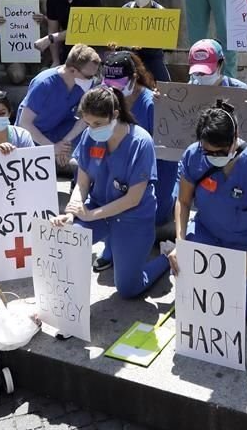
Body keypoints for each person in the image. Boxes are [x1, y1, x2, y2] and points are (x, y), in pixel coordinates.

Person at [49, 87, 170, 299]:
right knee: (66, 240)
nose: (92, 129)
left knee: (128, 289)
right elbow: (82, 183)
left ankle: (167, 257)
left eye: (97, 123)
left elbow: (133, 199)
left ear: (114, 114)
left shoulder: (141, 142)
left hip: (132, 217)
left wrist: (90, 215)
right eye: (87, 123)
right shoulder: (89, 137)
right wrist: (72, 213)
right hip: (99, 208)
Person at [169, 101, 247, 319]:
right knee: (196, 301)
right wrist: (180, 243)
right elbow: (183, 201)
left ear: (235, 138)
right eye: (208, 151)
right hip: (206, 234)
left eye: (220, 151)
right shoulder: (193, 156)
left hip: (246, 242)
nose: (214, 156)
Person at [92, 50, 177, 273]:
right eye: (109, 85)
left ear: (133, 78)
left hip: (153, 171)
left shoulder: (151, 104)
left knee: (146, 210)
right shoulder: (106, 100)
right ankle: (111, 244)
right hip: (117, 168)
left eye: (119, 84)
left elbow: (166, 156)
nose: (113, 90)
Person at [16, 44, 100, 168]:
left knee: (95, 130)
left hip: (61, 131)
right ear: (73, 70)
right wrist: (53, 148)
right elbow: (24, 123)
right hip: (34, 136)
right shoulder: (44, 83)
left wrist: (64, 145)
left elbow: (85, 119)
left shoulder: (84, 83)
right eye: (89, 76)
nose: (92, 79)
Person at [35, 0, 103, 66]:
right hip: (66, 51)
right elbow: (52, 29)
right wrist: (55, 60)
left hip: (89, 50)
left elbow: (82, 30)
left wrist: (50, 38)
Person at [0, 0, 50, 85]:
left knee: (43, 77)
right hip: (15, 50)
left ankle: (42, 65)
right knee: (17, 77)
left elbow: (53, 23)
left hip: (39, 48)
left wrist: (43, 19)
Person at [120, 0, 171, 82]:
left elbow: (165, 39)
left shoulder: (161, 11)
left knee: (164, 83)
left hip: (153, 56)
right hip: (131, 55)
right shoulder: (126, 9)